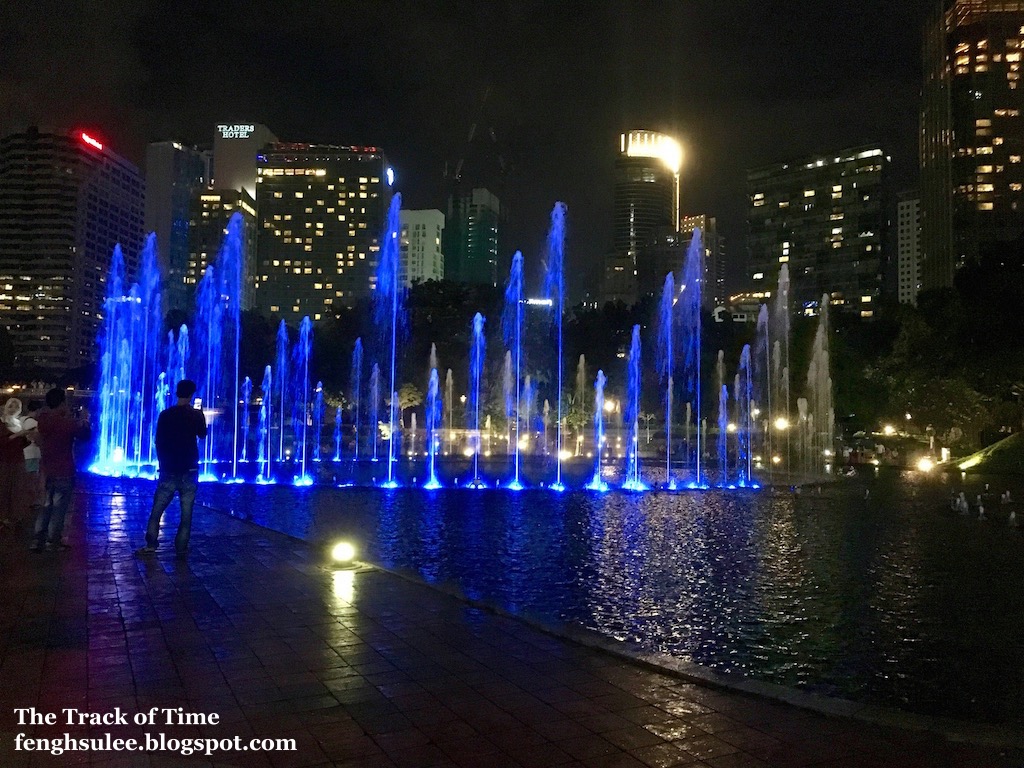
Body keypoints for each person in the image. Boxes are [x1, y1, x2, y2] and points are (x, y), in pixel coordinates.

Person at [138, 379, 208, 558]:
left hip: (168, 469)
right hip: (190, 469)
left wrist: (163, 463)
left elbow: (158, 441)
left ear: (177, 393)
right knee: (186, 514)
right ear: (192, 394)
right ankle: (181, 548)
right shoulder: (196, 415)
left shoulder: (165, 415)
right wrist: (200, 415)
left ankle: (151, 544)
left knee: (157, 509)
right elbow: (202, 435)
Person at [33, 388, 90, 552]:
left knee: (46, 506)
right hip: (63, 470)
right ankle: (53, 541)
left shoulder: (42, 420)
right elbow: (85, 436)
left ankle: (38, 540)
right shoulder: (65, 423)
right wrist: (85, 420)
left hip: (46, 469)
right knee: (59, 508)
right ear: (61, 404)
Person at [0, 397, 29, 527]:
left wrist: (26, 438)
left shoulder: (18, 423)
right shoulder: (2, 423)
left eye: (16, 407)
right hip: (5, 459)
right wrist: (17, 435)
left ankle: (15, 514)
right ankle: (4, 515)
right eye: (11, 406)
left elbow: (22, 443)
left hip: (18, 458)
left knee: (18, 488)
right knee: (5, 487)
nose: (13, 409)